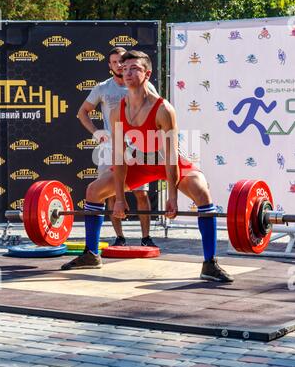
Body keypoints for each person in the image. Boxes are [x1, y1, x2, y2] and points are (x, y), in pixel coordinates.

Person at [63, 50, 233, 283]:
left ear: (147, 74)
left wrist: (172, 196)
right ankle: (92, 254)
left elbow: (171, 155)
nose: (128, 73)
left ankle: (210, 263)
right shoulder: (117, 111)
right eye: (125, 69)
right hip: (139, 160)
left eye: (135, 68)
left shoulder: (163, 109)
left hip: (166, 159)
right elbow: (120, 156)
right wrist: (120, 199)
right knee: (94, 191)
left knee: (202, 193)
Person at [77, 47, 158, 247]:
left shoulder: (144, 86)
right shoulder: (103, 88)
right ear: (110, 66)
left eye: (122, 61)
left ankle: (146, 237)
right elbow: (82, 112)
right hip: (110, 148)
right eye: (114, 62)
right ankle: (119, 237)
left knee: (141, 193)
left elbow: (158, 110)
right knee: (109, 193)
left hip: (137, 147)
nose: (119, 65)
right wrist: (97, 133)